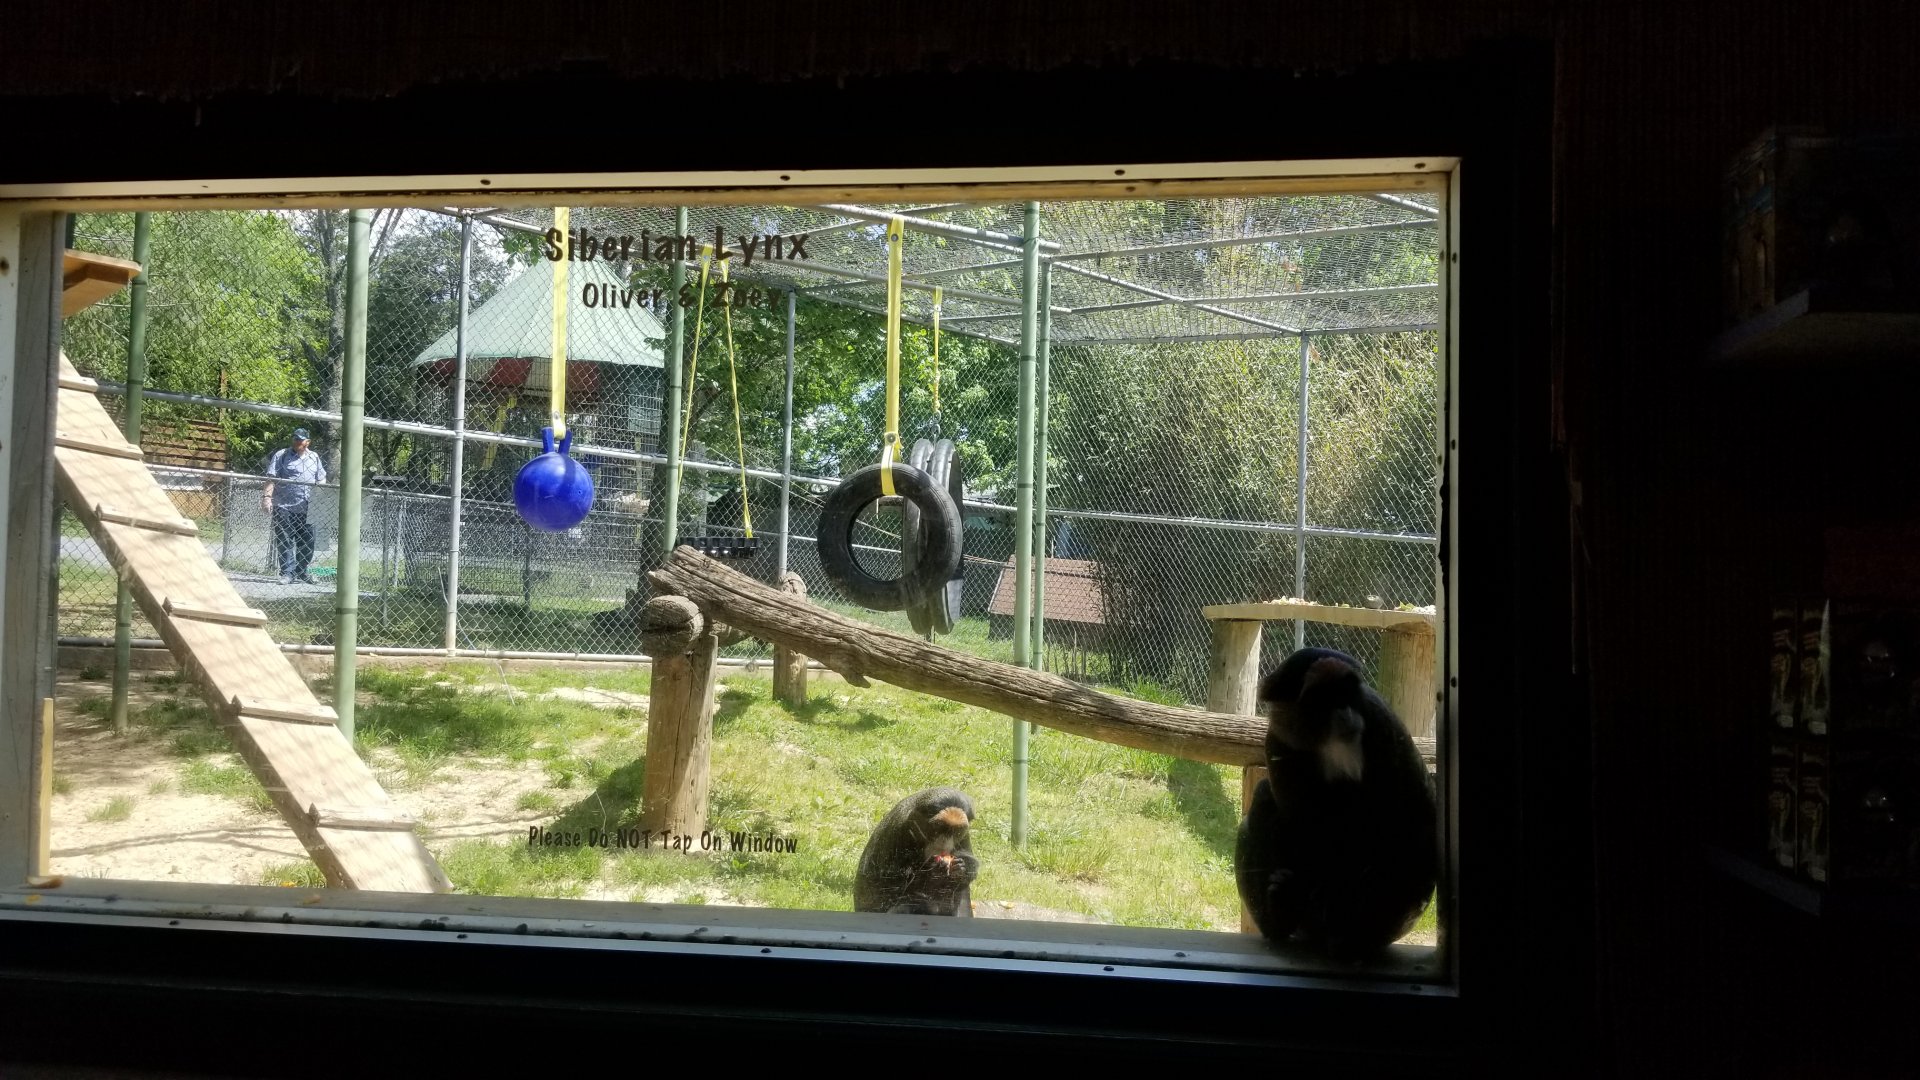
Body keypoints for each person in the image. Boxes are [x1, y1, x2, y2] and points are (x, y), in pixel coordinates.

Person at [262, 427, 327, 585]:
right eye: (295, 439)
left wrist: (320, 494)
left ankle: (302, 571)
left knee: (308, 541)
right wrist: (266, 498)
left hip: (308, 507)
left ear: (308, 442)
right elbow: (271, 477)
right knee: (285, 540)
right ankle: (287, 573)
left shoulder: (314, 457)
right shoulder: (282, 455)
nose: (297, 442)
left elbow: (322, 478)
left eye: (301, 439)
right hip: (284, 506)